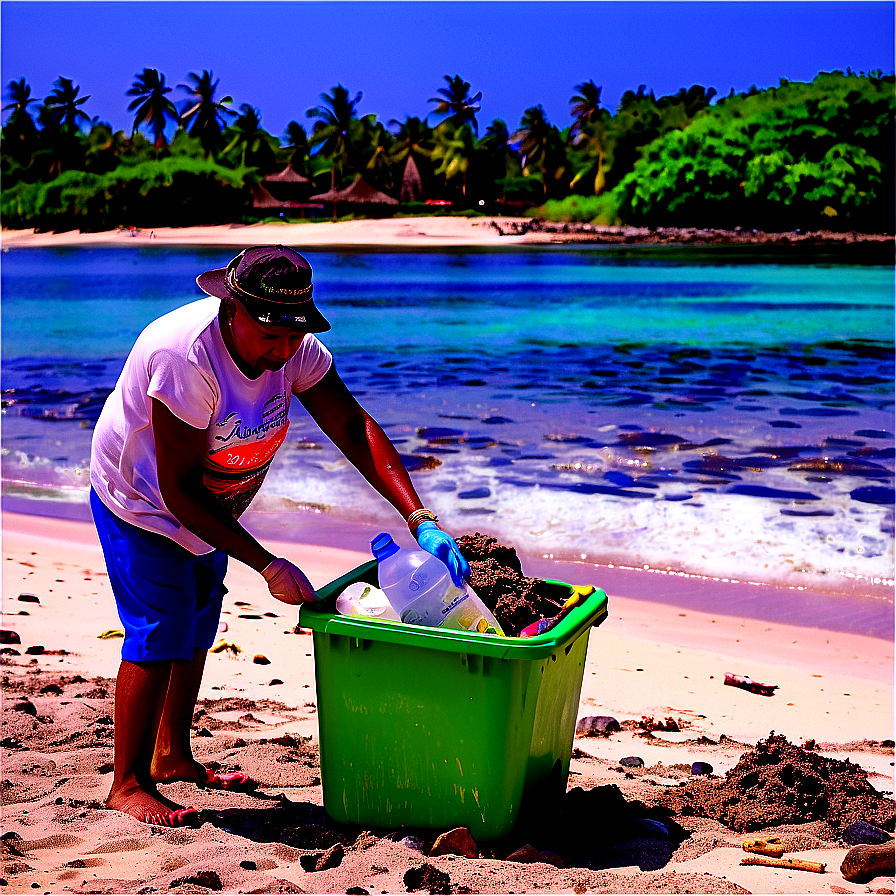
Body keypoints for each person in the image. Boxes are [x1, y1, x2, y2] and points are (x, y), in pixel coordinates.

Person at [89, 245, 470, 826]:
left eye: (294, 335)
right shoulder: (185, 359)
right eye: (271, 334)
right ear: (232, 308)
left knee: (197, 619)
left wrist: (420, 516)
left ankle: (171, 756)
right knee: (160, 625)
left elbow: (350, 424)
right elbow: (179, 492)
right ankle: (128, 781)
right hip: (143, 496)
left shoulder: (294, 350)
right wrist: (266, 564)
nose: (283, 349)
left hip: (215, 503)